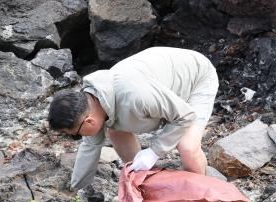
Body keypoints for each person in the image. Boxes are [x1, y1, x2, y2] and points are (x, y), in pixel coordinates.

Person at [48, 46, 219, 189]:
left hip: (196, 78)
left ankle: (203, 196)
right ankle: (146, 183)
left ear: (89, 121)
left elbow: (184, 115)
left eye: (76, 134)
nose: (79, 138)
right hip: (162, 90)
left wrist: (154, 152)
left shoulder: (135, 96)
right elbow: (90, 148)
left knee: (187, 146)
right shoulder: (92, 102)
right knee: (116, 132)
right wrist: (76, 189)